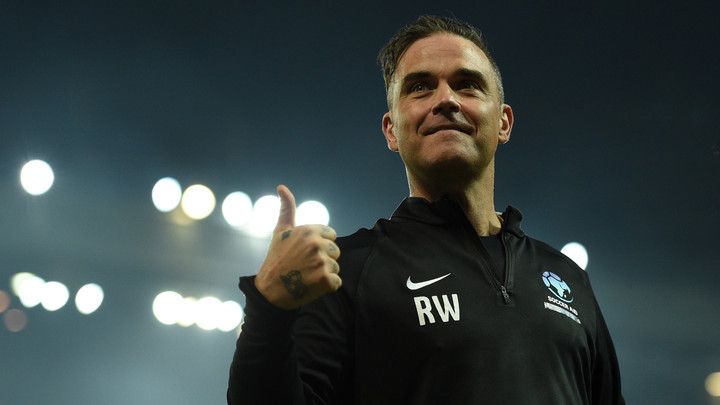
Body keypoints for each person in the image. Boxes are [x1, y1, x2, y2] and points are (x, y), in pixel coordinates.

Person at [227, 15, 624, 405]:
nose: (446, 100)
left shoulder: (567, 278)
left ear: (504, 123)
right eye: (420, 88)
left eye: (467, 85)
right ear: (391, 130)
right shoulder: (343, 272)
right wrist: (268, 309)